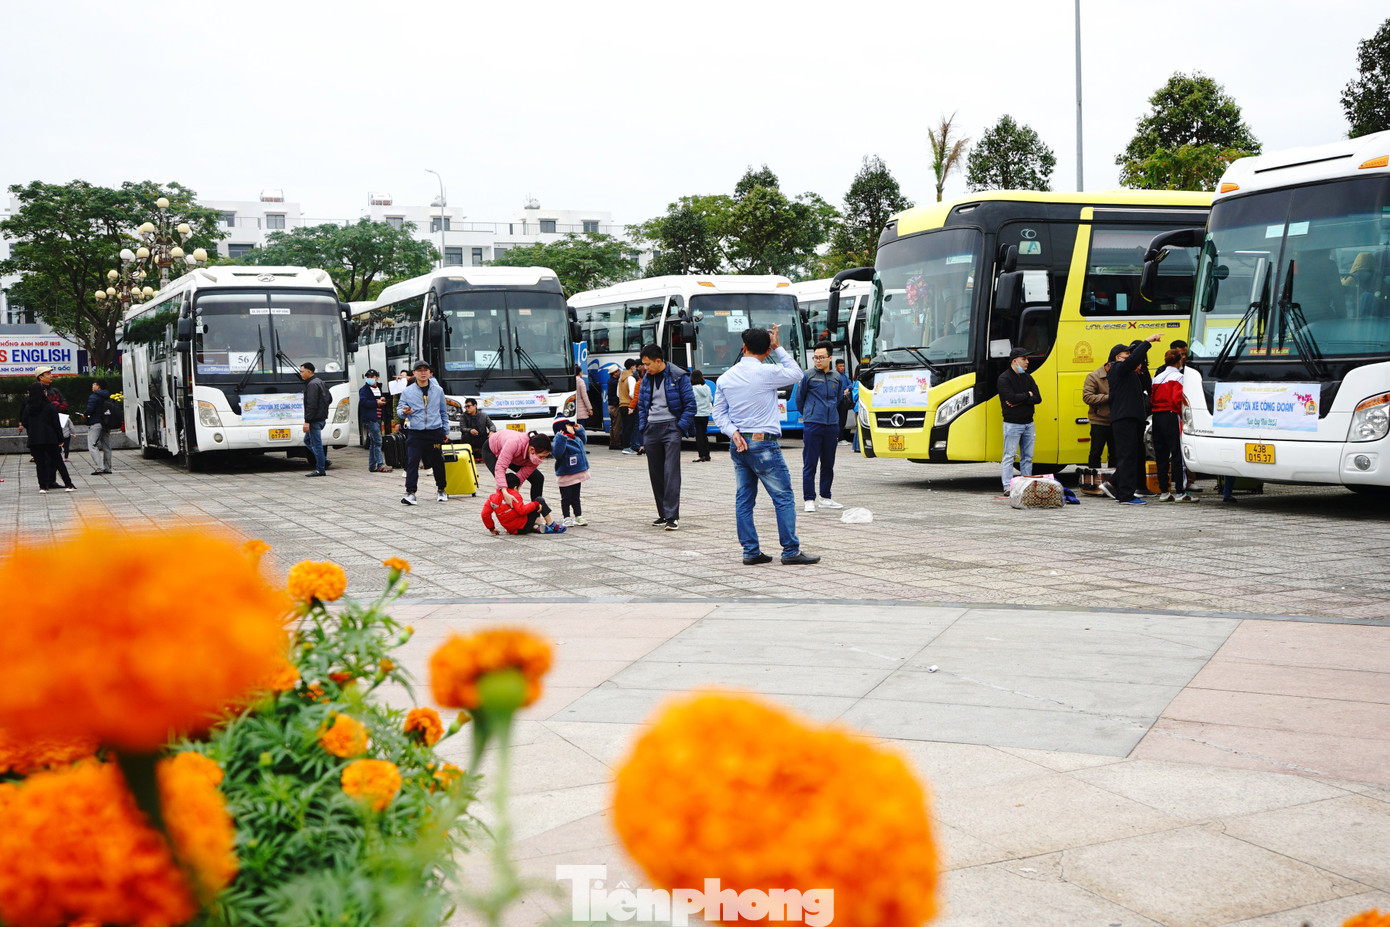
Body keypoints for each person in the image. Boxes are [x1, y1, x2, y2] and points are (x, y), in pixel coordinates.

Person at [711, 325, 820, 566]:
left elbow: (718, 413)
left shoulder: (725, 377)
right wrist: (778, 347)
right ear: (766, 348)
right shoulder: (767, 372)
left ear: (744, 347)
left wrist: (733, 432)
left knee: (744, 499)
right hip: (763, 444)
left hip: (738, 444)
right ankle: (790, 550)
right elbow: (797, 373)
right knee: (782, 497)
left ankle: (751, 551)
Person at [637, 344, 696, 530]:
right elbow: (641, 405)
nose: (645, 368)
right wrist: (643, 426)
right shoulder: (647, 378)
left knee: (671, 471)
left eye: (647, 364)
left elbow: (690, 405)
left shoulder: (679, 376)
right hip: (651, 428)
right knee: (655, 473)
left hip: (671, 427)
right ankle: (663, 514)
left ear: (659, 361)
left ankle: (672, 516)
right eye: (643, 364)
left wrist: (679, 428)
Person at [1100, 334, 1163, 504]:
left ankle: (1116, 485)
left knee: (1133, 456)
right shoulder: (1116, 369)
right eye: (1126, 354)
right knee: (1127, 456)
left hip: (1133, 418)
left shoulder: (1129, 373)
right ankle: (1126, 495)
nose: (1129, 357)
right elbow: (1132, 360)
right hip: (1124, 419)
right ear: (1117, 357)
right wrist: (1147, 342)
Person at [796, 341, 852, 512]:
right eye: (815, 358)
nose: (818, 361)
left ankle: (826, 497)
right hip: (813, 424)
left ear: (830, 358)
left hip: (832, 425)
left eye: (821, 357)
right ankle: (809, 498)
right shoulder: (808, 376)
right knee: (810, 462)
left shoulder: (836, 377)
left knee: (828, 462)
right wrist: (809, 414)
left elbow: (838, 398)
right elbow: (800, 399)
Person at [397, 361, 449, 505]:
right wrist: (404, 412)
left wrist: (446, 431)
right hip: (416, 432)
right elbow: (399, 410)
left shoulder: (438, 390)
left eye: (426, 370)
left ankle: (441, 489)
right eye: (419, 370)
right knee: (412, 461)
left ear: (430, 373)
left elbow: (443, 412)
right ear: (414, 373)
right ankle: (411, 493)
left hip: (434, 432)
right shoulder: (408, 391)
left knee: (438, 461)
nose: (423, 373)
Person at [1150, 348, 1194, 503]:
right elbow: (1178, 400)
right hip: (1171, 416)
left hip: (1156, 417)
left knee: (1161, 455)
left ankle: (1164, 491)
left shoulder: (1157, 377)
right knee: (1177, 453)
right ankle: (1181, 492)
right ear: (1179, 360)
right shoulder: (1180, 377)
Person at [21, 368, 73, 493]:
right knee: (58, 462)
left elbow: (25, 422)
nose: (51, 376)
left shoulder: (28, 407)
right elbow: (56, 423)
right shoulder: (49, 406)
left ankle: (43, 486)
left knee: (40, 464)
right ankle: (69, 484)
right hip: (50, 438)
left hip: (35, 439)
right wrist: (60, 439)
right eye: (48, 374)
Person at [997, 347, 1040, 494]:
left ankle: (1026, 485)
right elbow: (1010, 398)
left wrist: (1021, 398)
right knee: (1009, 456)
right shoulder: (1004, 378)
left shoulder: (1028, 377)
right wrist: (1027, 395)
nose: (1027, 362)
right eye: (1024, 359)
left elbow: (1038, 398)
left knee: (1028, 457)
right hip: (1012, 423)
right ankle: (1008, 487)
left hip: (1029, 423)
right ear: (1015, 361)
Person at [482, 471, 565, 535]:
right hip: (523, 526)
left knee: (526, 511)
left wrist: (491, 528)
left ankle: (536, 527)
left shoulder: (492, 498)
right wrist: (535, 504)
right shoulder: (514, 495)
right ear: (515, 487)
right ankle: (551, 525)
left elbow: (484, 514)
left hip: (512, 530)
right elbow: (522, 510)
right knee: (539, 500)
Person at [484, 428, 552, 501]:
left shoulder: (535, 456)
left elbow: (522, 475)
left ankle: (536, 509)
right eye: (541, 457)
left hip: (515, 457)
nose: (541, 460)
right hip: (492, 450)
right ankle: (503, 509)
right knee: (507, 481)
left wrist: (516, 489)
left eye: (544, 457)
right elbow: (500, 467)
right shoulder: (514, 443)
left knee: (538, 478)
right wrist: (505, 492)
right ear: (532, 450)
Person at [552, 416, 590, 526]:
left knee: (576, 497)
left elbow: (584, 441)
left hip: (577, 472)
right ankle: (566, 517)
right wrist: (560, 437)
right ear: (562, 428)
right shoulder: (560, 440)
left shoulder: (576, 438)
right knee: (566, 498)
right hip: (565, 473)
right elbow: (557, 453)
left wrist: (580, 430)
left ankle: (578, 515)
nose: (572, 427)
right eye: (569, 425)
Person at [358, 369, 392, 473]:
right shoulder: (364, 390)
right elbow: (363, 402)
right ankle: (381, 464)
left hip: (378, 417)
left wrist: (382, 400)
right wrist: (376, 403)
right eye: (368, 377)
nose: (370, 379)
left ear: (377, 378)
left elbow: (379, 401)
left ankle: (372, 466)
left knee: (373, 442)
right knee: (378, 441)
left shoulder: (378, 388)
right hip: (370, 418)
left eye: (372, 377)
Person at [299, 362, 330, 478]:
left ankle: (320, 469)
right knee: (307, 440)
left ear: (309, 372)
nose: (300, 373)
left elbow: (311, 405)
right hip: (321, 418)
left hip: (314, 420)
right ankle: (324, 460)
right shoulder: (321, 382)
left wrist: (307, 421)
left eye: (302, 371)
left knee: (317, 445)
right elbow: (329, 399)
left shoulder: (312, 385)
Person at [1082, 355, 1112, 470]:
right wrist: (1109, 397)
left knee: (1115, 454)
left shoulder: (1118, 376)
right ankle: (1094, 482)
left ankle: (1113, 483)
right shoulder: (1094, 376)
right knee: (1095, 453)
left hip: (1115, 420)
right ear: (1109, 365)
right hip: (1099, 421)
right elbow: (1087, 397)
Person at [85, 380, 114, 475]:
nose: (92, 386)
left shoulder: (94, 396)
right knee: (107, 446)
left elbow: (90, 410)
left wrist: (84, 414)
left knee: (92, 445)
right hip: (106, 423)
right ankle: (107, 468)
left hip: (96, 423)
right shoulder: (107, 396)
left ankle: (99, 467)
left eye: (94, 384)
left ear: (99, 387)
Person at [690, 369, 713, 463]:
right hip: (706, 414)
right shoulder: (707, 387)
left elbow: (691, 401)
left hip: (696, 414)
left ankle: (701, 455)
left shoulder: (692, 388)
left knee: (698, 435)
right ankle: (707, 455)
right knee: (704, 434)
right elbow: (711, 398)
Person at [615, 359, 638, 453]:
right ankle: (628, 447)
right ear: (632, 367)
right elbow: (633, 393)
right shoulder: (631, 378)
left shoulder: (620, 379)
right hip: (629, 405)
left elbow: (617, 394)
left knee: (625, 427)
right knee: (630, 427)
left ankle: (625, 446)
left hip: (621, 405)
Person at [834, 359, 853, 445]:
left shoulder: (844, 376)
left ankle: (841, 438)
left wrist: (847, 389)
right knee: (839, 420)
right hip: (837, 401)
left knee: (843, 420)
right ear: (836, 367)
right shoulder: (835, 375)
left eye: (843, 366)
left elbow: (851, 384)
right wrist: (843, 390)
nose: (842, 368)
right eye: (840, 366)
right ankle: (839, 438)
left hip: (843, 401)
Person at [572, 364, 595, 429]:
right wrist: (589, 408)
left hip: (573, 411)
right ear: (579, 372)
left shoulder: (571, 380)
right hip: (581, 412)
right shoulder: (580, 381)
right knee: (580, 429)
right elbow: (585, 396)